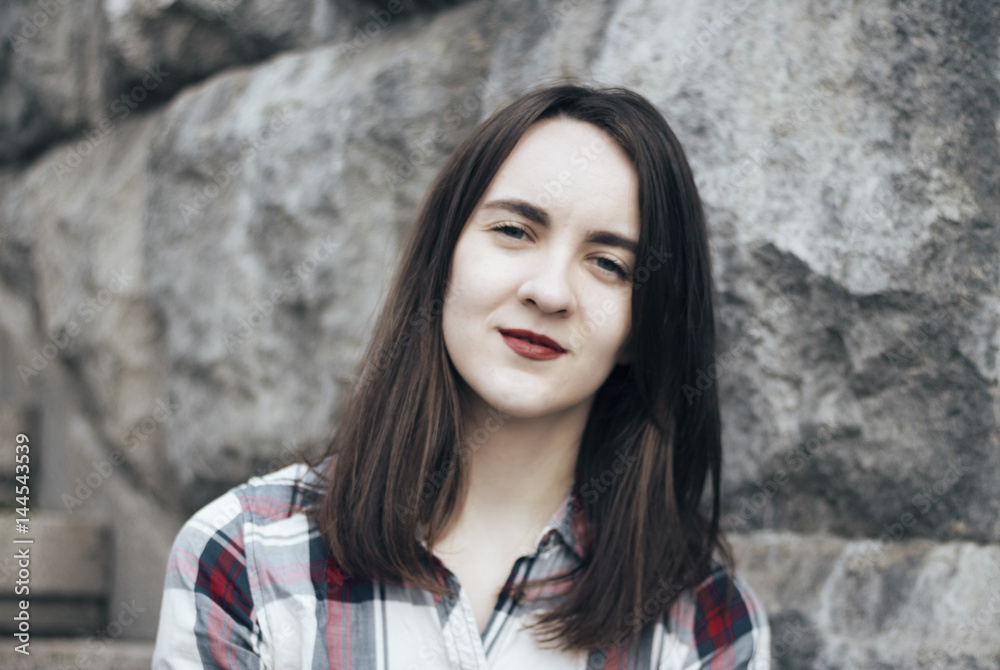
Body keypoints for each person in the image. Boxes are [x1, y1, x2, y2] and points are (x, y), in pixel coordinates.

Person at [152, 82, 770, 669]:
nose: (550, 291)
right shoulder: (246, 558)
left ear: (644, 327)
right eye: (513, 230)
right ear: (443, 257)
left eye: (608, 264)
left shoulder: (704, 623)